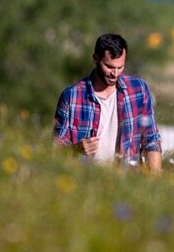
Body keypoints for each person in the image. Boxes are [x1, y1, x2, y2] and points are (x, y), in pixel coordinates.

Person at [53, 33, 163, 171]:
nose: (115, 74)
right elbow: (56, 150)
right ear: (95, 59)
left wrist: (155, 178)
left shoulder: (138, 90)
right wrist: (76, 149)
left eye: (120, 67)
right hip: (85, 177)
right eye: (109, 67)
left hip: (127, 178)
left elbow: (151, 139)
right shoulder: (71, 96)